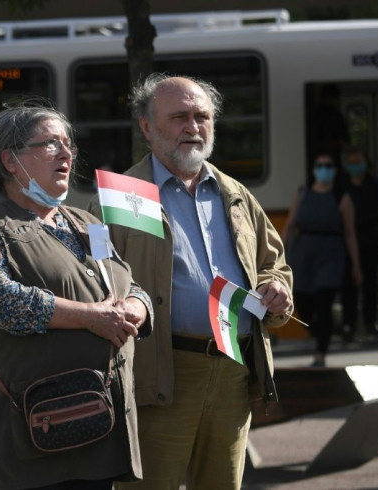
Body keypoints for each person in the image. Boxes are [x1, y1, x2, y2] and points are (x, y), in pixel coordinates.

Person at [89, 73, 294, 490]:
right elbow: (92, 281)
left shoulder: (234, 193)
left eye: (202, 116)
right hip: (159, 375)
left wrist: (277, 290)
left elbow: (274, 265)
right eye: (178, 116)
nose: (193, 127)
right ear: (147, 127)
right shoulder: (119, 198)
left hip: (233, 370)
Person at [0, 101, 154, 490]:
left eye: (68, 145)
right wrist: (91, 316)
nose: (66, 153)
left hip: (97, 425)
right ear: (10, 161)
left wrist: (136, 307)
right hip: (28, 435)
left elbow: (128, 283)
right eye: (49, 144)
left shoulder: (87, 223)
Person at [281, 153, 363, 367]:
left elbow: (350, 233)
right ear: (313, 169)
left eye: (328, 165)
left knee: (324, 303)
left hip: (331, 255)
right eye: (319, 165)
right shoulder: (302, 194)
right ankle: (324, 332)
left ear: (335, 170)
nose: (323, 169)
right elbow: (289, 225)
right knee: (302, 303)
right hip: (303, 255)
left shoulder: (342, 199)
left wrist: (356, 265)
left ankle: (320, 352)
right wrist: (277, 254)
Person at [340, 146, 378, 341]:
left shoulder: (375, 185)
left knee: (370, 284)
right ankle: (348, 323)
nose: (355, 166)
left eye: (358, 162)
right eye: (351, 163)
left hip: (370, 241)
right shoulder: (342, 186)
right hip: (346, 241)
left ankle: (370, 321)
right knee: (348, 285)